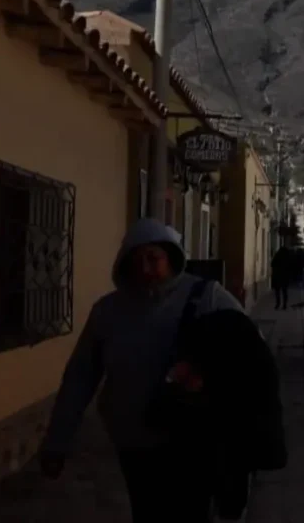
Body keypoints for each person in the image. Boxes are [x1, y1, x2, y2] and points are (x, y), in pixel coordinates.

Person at [38, 218, 245, 522]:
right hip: (133, 442)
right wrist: (57, 441)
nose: (146, 269)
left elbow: (250, 354)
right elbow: (79, 378)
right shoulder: (107, 312)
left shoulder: (207, 298)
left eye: (153, 258)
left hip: (191, 441)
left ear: (171, 257)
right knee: (147, 512)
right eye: (136, 261)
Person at [271, 243, 294, 309]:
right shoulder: (288, 257)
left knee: (277, 291)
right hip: (285, 276)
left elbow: (272, 264)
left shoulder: (277, 255)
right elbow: (291, 267)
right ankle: (284, 305)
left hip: (277, 276)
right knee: (284, 291)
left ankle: (278, 304)